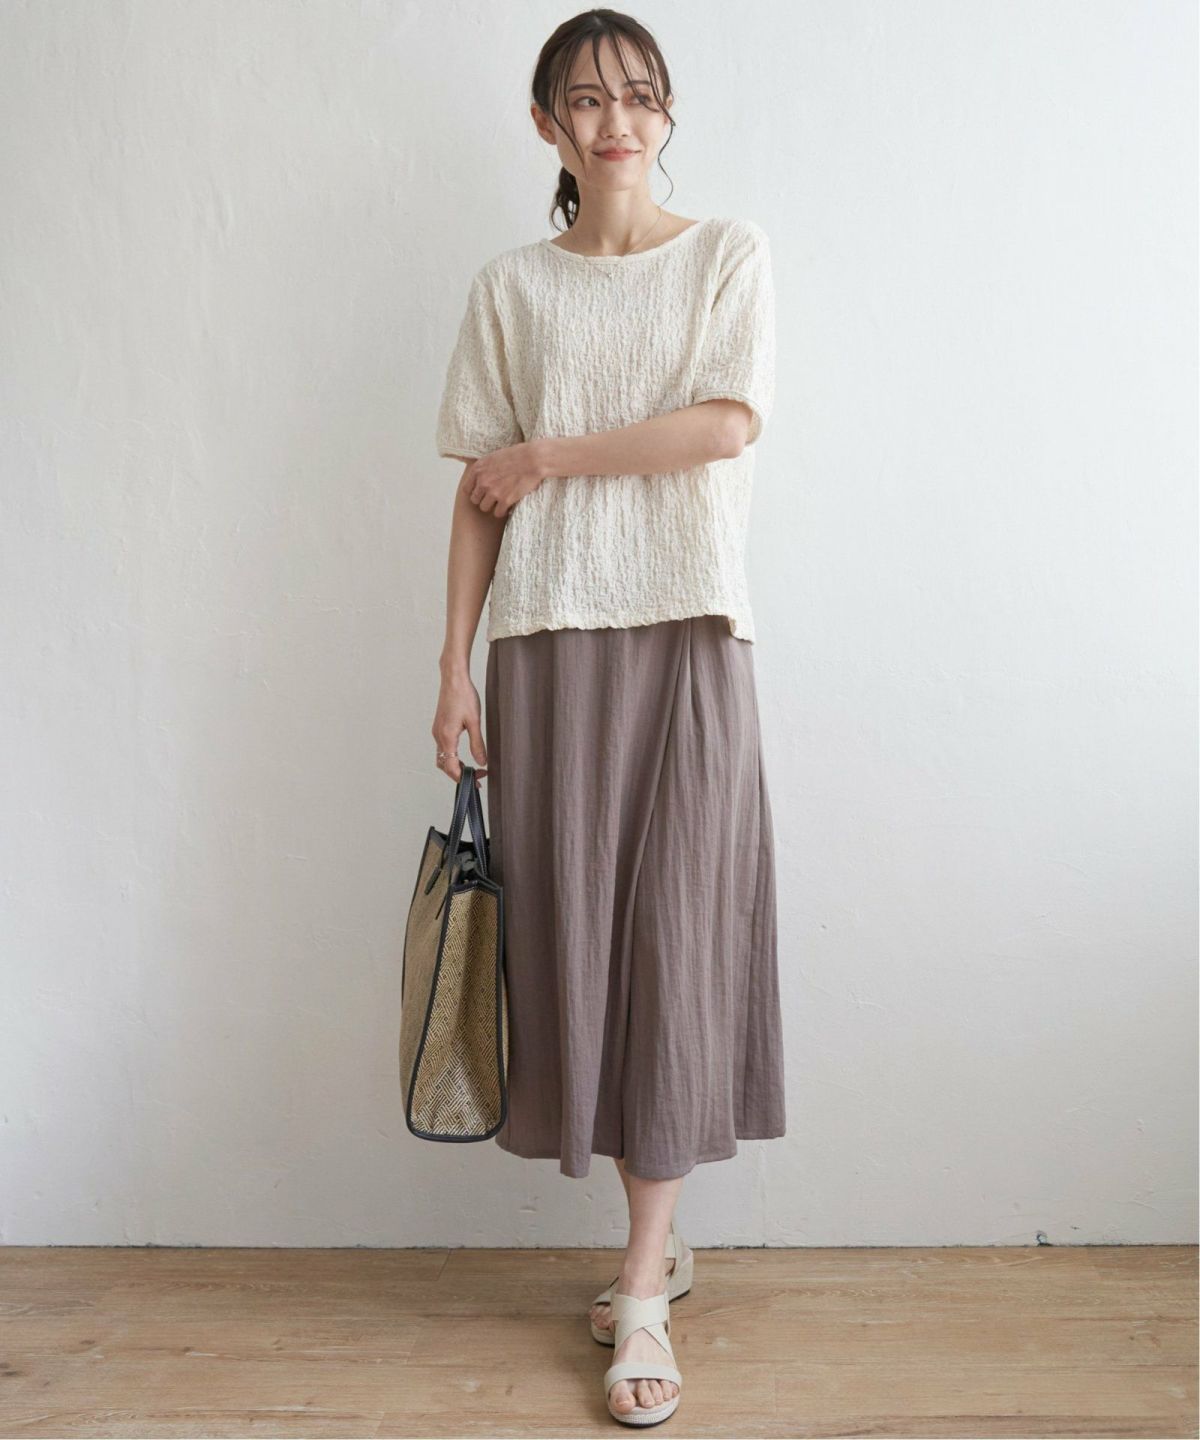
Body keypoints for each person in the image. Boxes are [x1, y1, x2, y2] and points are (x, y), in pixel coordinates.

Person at [430, 9, 786, 1426]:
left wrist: (552, 455)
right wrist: (451, 665)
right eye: (585, 100)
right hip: (546, 641)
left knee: (677, 937)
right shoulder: (510, 289)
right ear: (547, 127)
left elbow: (724, 423)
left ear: (669, 112)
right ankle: (656, 1247)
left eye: (639, 95)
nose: (617, 120)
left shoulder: (728, 255)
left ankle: (643, 1285)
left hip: (691, 633)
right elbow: (478, 492)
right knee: (578, 940)